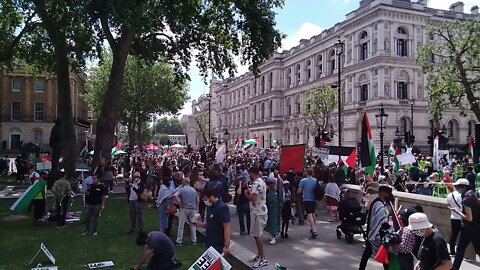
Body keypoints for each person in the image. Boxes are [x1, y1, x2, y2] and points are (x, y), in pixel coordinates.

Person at [359, 185, 392, 270]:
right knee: (383, 253)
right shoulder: (379, 204)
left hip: (372, 232)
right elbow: (380, 220)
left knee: (368, 253)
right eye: (387, 193)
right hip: (377, 233)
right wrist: (388, 225)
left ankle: (361, 268)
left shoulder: (376, 202)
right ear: (383, 193)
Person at [192, 188, 231, 255]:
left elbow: (227, 226)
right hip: (209, 241)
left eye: (206, 199)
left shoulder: (222, 208)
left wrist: (226, 246)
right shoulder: (210, 207)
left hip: (218, 243)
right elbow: (210, 222)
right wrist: (199, 224)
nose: (205, 202)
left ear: (212, 196)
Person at [245, 166, 269, 268]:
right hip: (261, 210)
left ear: (251, 173)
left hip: (257, 212)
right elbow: (258, 196)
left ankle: (263, 258)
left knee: (257, 235)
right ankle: (259, 254)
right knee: (258, 234)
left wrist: (246, 194)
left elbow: (254, 199)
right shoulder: (261, 181)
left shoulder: (255, 184)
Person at [450, 189, 480, 270]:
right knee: (477, 249)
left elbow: (469, 218)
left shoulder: (466, 201)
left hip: (468, 228)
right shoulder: (475, 198)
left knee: (460, 250)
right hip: (476, 228)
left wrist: (457, 212)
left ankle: (455, 268)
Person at [446, 178, 469, 256]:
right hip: (463, 218)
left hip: (453, 217)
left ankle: (452, 251)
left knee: (453, 235)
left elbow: (448, 205)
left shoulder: (450, 195)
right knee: (463, 237)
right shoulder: (465, 196)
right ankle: (461, 253)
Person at [174, 177, 198, 246]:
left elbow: (175, 195)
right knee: (193, 225)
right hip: (192, 208)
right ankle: (194, 240)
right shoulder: (193, 190)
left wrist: (179, 203)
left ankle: (179, 241)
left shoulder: (182, 189)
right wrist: (196, 208)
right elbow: (197, 199)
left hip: (184, 208)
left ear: (184, 182)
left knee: (181, 225)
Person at [297, 168, 318, 239]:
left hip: (306, 199)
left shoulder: (303, 181)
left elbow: (299, 191)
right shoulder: (315, 180)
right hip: (314, 199)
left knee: (309, 215)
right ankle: (313, 227)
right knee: (313, 213)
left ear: (306, 173)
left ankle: (314, 230)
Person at [265, 177, 280, 245]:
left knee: (274, 223)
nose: (273, 184)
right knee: (269, 223)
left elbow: (280, 200)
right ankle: (271, 235)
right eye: (271, 183)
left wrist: (280, 208)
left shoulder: (277, 191)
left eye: (273, 183)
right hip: (268, 209)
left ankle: (273, 236)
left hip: (275, 210)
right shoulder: (267, 191)